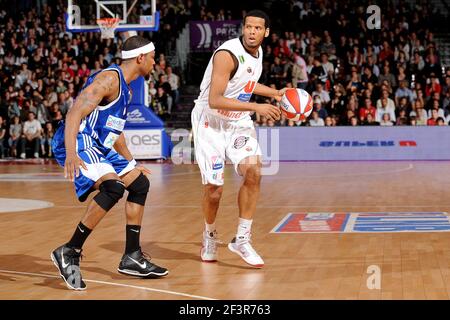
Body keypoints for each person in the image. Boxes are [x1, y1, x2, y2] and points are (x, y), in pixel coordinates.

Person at [50, 36, 168, 291]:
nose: (155, 62)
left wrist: (132, 162)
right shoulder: (109, 79)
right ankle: (69, 250)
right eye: (152, 57)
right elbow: (73, 113)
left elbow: (116, 133)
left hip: (99, 144)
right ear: (140, 58)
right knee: (113, 188)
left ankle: (132, 256)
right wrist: (71, 153)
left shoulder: (126, 88)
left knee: (139, 184)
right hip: (79, 142)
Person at [191, 10, 284, 268]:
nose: (252, 32)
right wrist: (258, 107)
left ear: (266, 32)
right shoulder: (226, 55)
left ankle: (242, 239)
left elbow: (246, 84)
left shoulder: (259, 53)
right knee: (214, 190)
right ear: (243, 29)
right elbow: (215, 99)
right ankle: (209, 235)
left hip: (237, 121)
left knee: (254, 172)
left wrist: (275, 93)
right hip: (210, 121)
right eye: (248, 27)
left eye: (257, 28)